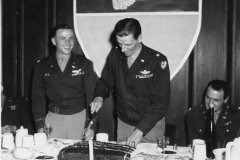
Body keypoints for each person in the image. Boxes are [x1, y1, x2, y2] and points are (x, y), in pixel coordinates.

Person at [90, 18, 170, 147]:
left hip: (150, 125)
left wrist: (139, 131)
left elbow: (160, 103)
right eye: (119, 43)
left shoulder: (156, 61)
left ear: (139, 38)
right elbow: (105, 81)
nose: (122, 49)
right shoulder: (115, 54)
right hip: (124, 123)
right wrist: (99, 97)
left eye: (128, 44)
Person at [32, 23, 98, 139]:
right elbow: (38, 99)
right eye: (62, 39)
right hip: (53, 119)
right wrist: (40, 125)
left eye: (71, 38)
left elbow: (92, 97)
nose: (68, 43)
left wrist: (90, 125)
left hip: (79, 118)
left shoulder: (84, 64)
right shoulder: (42, 66)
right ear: (53, 41)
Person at [187, 80, 240, 147]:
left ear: (226, 100)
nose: (210, 104)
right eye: (207, 97)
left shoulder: (236, 115)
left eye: (216, 100)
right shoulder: (194, 114)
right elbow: (195, 145)